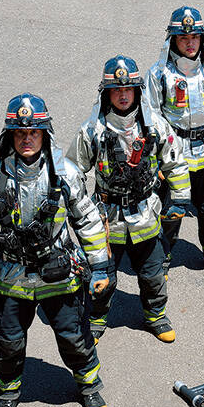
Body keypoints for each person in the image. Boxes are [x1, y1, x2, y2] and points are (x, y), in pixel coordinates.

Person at [0, 93, 111, 407]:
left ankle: (89, 386)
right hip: (12, 278)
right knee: (9, 342)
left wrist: (100, 266)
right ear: (10, 137)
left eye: (34, 132)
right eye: (20, 133)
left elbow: (87, 220)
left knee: (74, 336)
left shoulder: (65, 174)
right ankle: (6, 395)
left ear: (45, 134)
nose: (27, 138)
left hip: (60, 275)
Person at [67, 55, 190, 344]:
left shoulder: (155, 126)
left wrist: (180, 199)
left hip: (146, 216)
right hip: (106, 221)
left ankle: (155, 315)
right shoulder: (91, 131)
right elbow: (72, 174)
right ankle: (96, 319)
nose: (123, 95)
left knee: (153, 275)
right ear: (106, 93)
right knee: (102, 276)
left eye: (128, 89)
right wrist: (83, 212)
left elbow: (176, 162)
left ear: (137, 91)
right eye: (116, 90)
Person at [146, 6, 204, 279]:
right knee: (170, 212)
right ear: (173, 40)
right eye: (183, 38)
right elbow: (150, 118)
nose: (190, 43)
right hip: (175, 158)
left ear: (202, 39)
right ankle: (162, 258)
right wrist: (156, 160)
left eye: (195, 38)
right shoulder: (159, 75)